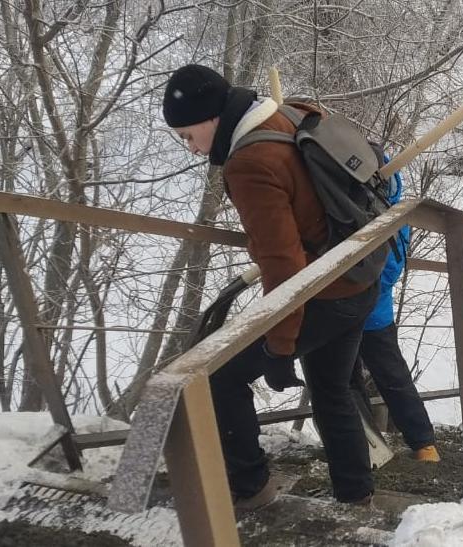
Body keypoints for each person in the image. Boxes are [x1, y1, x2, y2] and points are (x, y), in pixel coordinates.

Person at [163, 64, 378, 510]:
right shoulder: (291, 113)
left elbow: (283, 264)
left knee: (218, 376)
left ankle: (249, 486)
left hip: (323, 292)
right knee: (331, 390)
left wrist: (281, 348)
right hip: (359, 277)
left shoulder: (249, 163)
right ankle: (355, 497)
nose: (191, 148)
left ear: (213, 117)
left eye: (188, 135)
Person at [350, 163, 440, 463]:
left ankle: (420, 444)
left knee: (387, 377)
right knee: (363, 378)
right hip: (370, 312)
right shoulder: (392, 213)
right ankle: (372, 445)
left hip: (369, 314)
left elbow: (390, 271)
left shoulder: (391, 215)